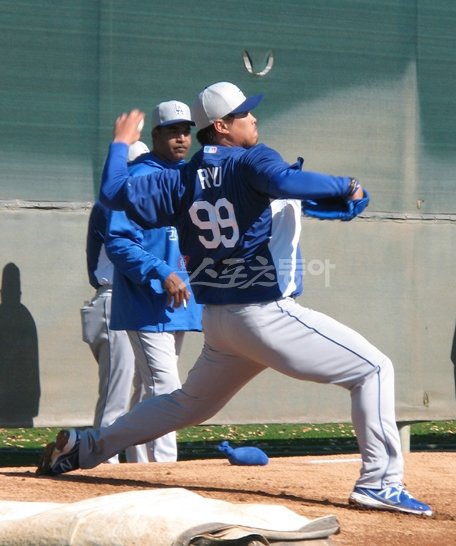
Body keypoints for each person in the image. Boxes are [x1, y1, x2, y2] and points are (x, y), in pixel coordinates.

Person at [37, 82, 432, 517]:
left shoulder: (180, 179)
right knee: (374, 368)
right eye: (245, 114)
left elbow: (115, 193)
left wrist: (118, 144)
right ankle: (380, 482)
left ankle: (86, 446)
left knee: (185, 403)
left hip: (220, 324)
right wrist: (348, 185)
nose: (254, 119)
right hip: (264, 314)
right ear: (222, 127)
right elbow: (283, 181)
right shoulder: (253, 160)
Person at [105, 101, 203, 462]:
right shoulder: (137, 176)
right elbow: (117, 242)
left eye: (186, 130)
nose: (181, 137)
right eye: (173, 130)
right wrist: (162, 272)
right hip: (146, 303)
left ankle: (129, 460)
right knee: (166, 387)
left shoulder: (188, 177)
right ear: (156, 134)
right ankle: (164, 470)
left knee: (150, 389)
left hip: (179, 303)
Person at [79, 141, 148, 463]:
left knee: (140, 396)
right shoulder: (114, 202)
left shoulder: (133, 200)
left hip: (130, 301)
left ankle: (141, 469)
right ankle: (99, 465)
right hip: (112, 299)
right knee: (116, 396)